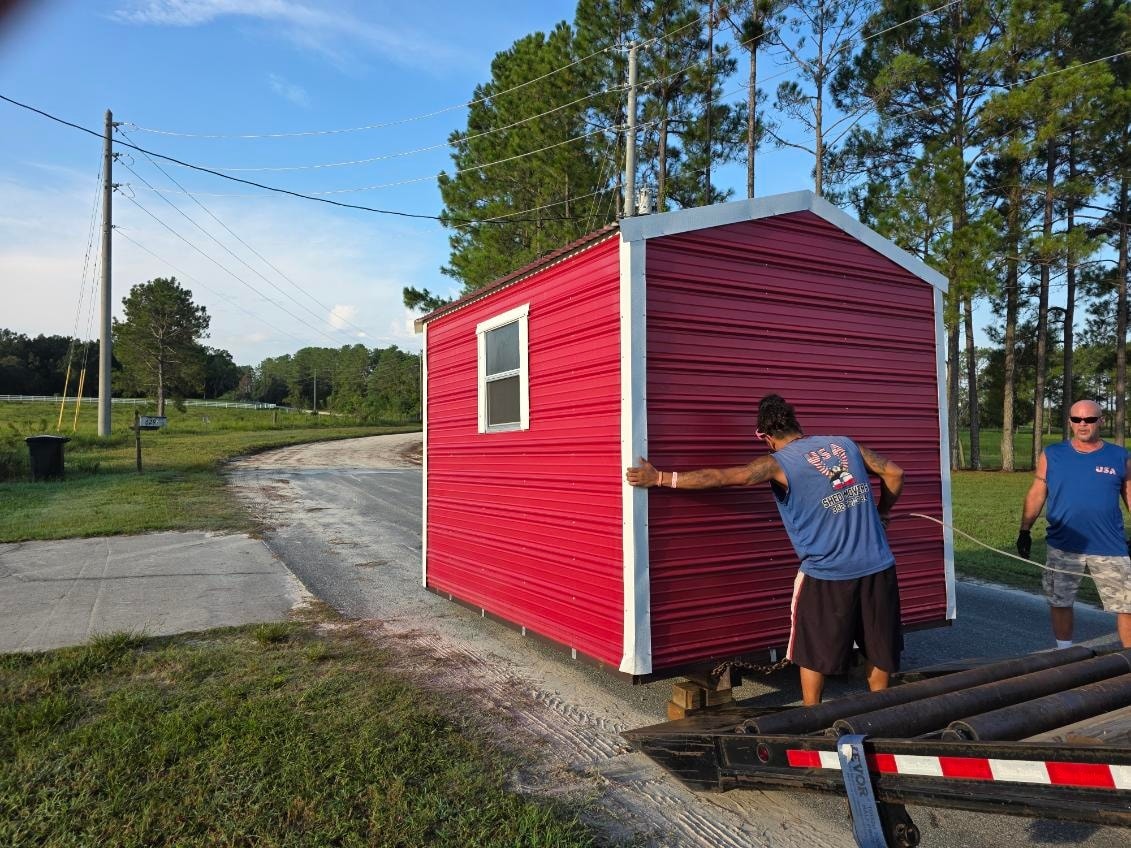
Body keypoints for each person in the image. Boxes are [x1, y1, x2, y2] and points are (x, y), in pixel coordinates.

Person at [625, 394, 905, 705]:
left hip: (827, 575)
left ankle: (813, 715)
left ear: (766, 437)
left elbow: (724, 478)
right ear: (796, 424)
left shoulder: (778, 463)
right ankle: (882, 709)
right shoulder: (846, 444)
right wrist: (882, 512)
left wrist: (660, 478)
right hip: (879, 567)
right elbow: (894, 473)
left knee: (811, 652)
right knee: (878, 646)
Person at [1017, 399, 1131, 649]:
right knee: (1060, 601)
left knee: (1127, 605)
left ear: (1101, 421)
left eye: (1090, 419)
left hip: (1110, 545)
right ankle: (1064, 652)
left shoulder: (1119, 456)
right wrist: (1024, 530)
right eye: (1077, 419)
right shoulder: (1053, 454)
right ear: (1069, 422)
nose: (1083, 424)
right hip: (1064, 545)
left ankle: (1128, 657)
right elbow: (1037, 493)